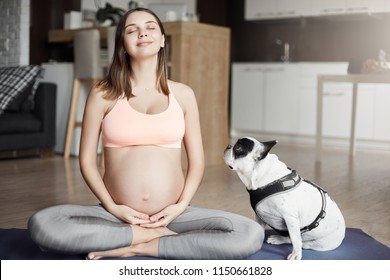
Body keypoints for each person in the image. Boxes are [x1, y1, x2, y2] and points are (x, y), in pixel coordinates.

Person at [28, 8, 264, 260]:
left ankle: (136, 245)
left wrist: (180, 206)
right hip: (115, 215)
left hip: (174, 215)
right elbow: (86, 161)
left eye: (150, 27)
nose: (142, 33)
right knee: (43, 224)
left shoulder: (183, 94)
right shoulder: (102, 93)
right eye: (132, 30)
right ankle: (150, 236)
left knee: (249, 233)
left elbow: (197, 162)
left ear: (162, 39)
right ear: (123, 43)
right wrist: (113, 207)